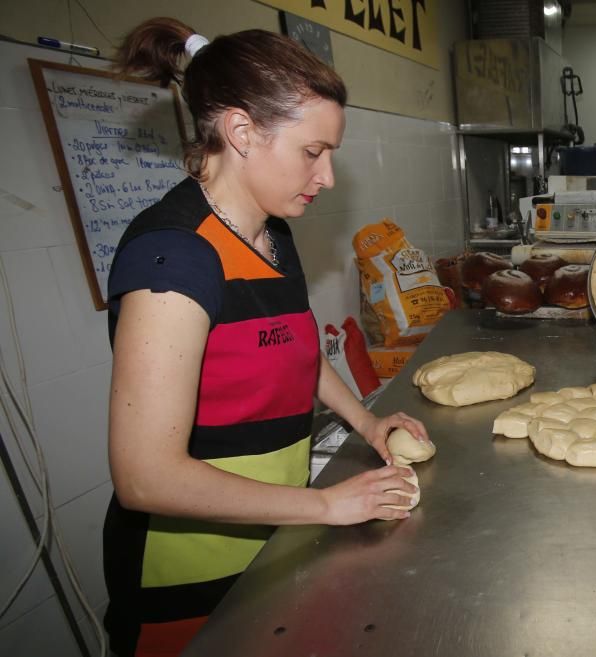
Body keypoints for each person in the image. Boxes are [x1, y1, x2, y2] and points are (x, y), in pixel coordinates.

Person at [104, 18, 431, 657]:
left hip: (271, 536)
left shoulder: (270, 234)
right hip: (193, 577)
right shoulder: (174, 258)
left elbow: (294, 346)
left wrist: (365, 425)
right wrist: (331, 508)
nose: (328, 176)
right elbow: (144, 477)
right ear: (242, 131)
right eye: (313, 152)